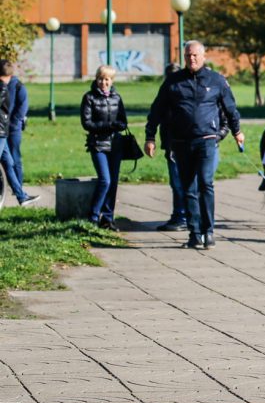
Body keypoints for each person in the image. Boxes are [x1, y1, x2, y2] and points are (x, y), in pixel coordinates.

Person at [144, 41, 244, 250]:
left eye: (195, 55)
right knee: (188, 188)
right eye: (188, 55)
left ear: (203, 57)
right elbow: (157, 110)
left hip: (207, 140)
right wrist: (150, 137)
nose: (192, 59)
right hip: (181, 142)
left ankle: (208, 231)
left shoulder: (216, 80)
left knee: (205, 184)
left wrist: (237, 131)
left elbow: (230, 108)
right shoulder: (173, 82)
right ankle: (194, 233)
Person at [80, 65, 127, 229]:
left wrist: (117, 126)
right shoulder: (89, 98)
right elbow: (87, 123)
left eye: (107, 79)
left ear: (111, 80)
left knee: (113, 182)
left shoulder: (117, 97)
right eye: (100, 79)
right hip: (98, 144)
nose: (103, 82)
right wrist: (108, 126)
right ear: (96, 79)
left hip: (116, 145)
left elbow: (123, 121)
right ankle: (93, 216)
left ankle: (107, 218)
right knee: (105, 180)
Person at [0, 60, 39, 206]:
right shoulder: (2, 88)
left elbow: (22, 108)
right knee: (9, 162)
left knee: (11, 161)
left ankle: (20, 194)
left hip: (9, 129)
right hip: (1, 130)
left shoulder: (17, 87)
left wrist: (12, 124)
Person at [156, 63, 188, 231]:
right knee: (177, 182)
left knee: (182, 182)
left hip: (183, 144)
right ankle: (181, 215)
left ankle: (183, 216)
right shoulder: (167, 95)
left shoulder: (182, 95)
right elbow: (157, 115)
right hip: (172, 144)